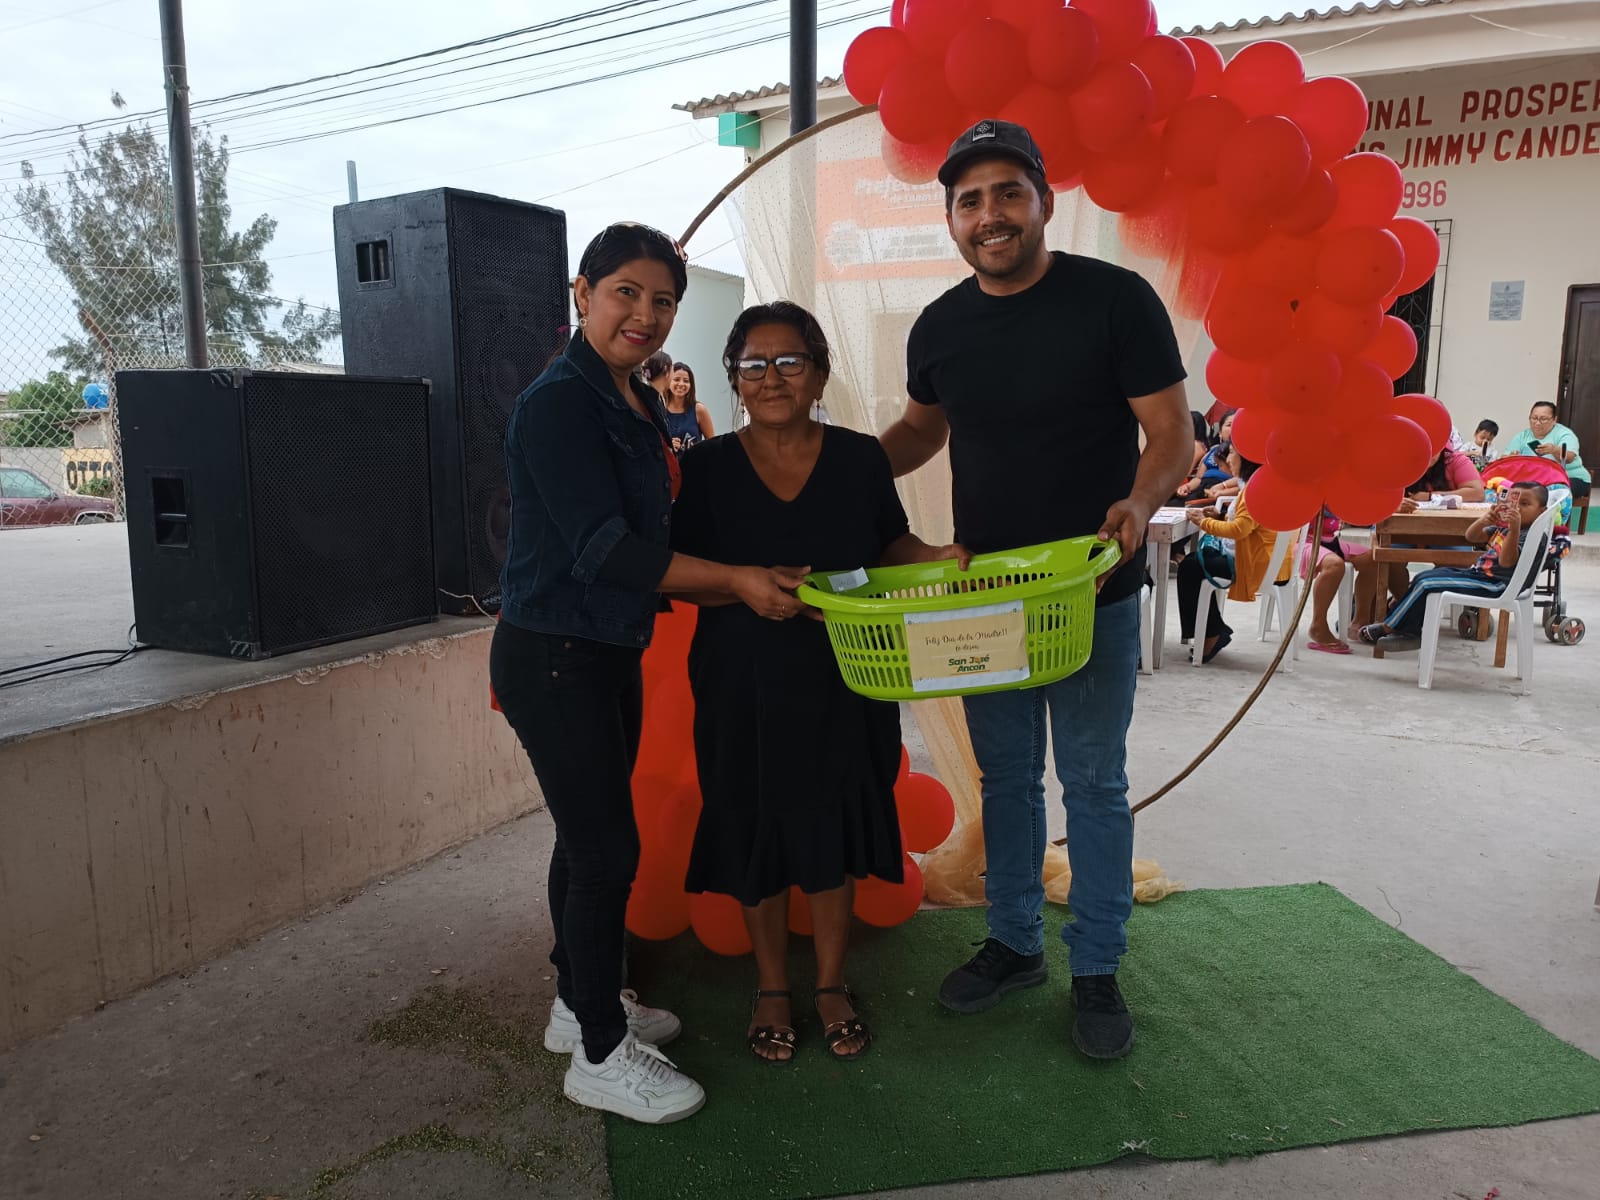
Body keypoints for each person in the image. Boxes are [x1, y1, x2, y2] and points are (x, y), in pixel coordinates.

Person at [879, 119, 1192, 1060]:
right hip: (985, 600)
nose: (991, 214)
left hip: (1092, 590)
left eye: (1008, 193)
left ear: (1045, 202)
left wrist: (1140, 501)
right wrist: (829, 472)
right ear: (951, 218)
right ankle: (1015, 943)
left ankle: (1096, 966)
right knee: (1007, 779)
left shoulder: (1114, 301)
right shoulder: (940, 327)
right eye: (970, 200)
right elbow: (921, 432)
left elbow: (1171, 434)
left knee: (1094, 782)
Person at [489, 221, 806, 1125]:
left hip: (603, 648)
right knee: (605, 851)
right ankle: (598, 1053)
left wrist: (755, 564)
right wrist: (736, 581)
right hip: (556, 653)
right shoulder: (560, 403)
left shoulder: (630, 396)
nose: (645, 313)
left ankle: (576, 1002)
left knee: (583, 837)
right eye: (625, 292)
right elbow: (605, 550)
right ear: (582, 293)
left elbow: (656, 530)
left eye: (662, 300)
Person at [673, 301, 958, 1064]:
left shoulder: (861, 459)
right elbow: (676, 574)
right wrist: (743, 587)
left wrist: (935, 555)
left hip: (846, 672)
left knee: (833, 822)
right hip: (740, 682)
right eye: (753, 365)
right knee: (756, 823)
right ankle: (771, 987)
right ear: (735, 380)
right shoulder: (703, 469)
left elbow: (889, 543)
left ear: (820, 373)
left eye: (790, 362)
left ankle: (831, 983)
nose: (772, 378)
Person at [1357, 482, 1550, 651]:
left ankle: (1389, 627)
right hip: (1479, 575)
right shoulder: (1504, 528)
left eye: (1525, 504)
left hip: (1498, 585)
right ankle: (1411, 631)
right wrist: (1486, 519)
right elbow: (1471, 537)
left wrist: (1514, 530)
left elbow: (1507, 562)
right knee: (1423, 577)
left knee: (1427, 584)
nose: (1518, 508)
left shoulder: (1531, 536)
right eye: (1515, 502)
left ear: (1542, 511)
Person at [1176, 451, 1289, 664]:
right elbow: (1249, 524)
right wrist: (1219, 517)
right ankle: (1212, 631)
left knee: (1190, 567)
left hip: (1254, 563)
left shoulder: (1256, 489)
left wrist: (1203, 522)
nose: (1228, 458)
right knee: (1193, 563)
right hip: (1268, 560)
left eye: (1232, 453)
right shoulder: (1262, 483)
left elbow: (1240, 529)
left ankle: (1212, 634)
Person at [1505, 402, 1589, 501]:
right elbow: (1504, 458)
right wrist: (1512, 457)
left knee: (1549, 492)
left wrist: (1554, 450)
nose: (1537, 423)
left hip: (1571, 478)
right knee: (1505, 486)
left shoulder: (1564, 434)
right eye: (1534, 418)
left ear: (1554, 420)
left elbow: (1569, 458)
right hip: (1536, 479)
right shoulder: (1522, 436)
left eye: (1543, 419)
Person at [663, 361, 714, 455]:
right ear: (668, 381)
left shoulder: (699, 410)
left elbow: (712, 444)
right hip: (668, 463)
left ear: (691, 385)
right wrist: (667, 447)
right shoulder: (660, 409)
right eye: (676, 379)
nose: (681, 384)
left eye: (686, 381)